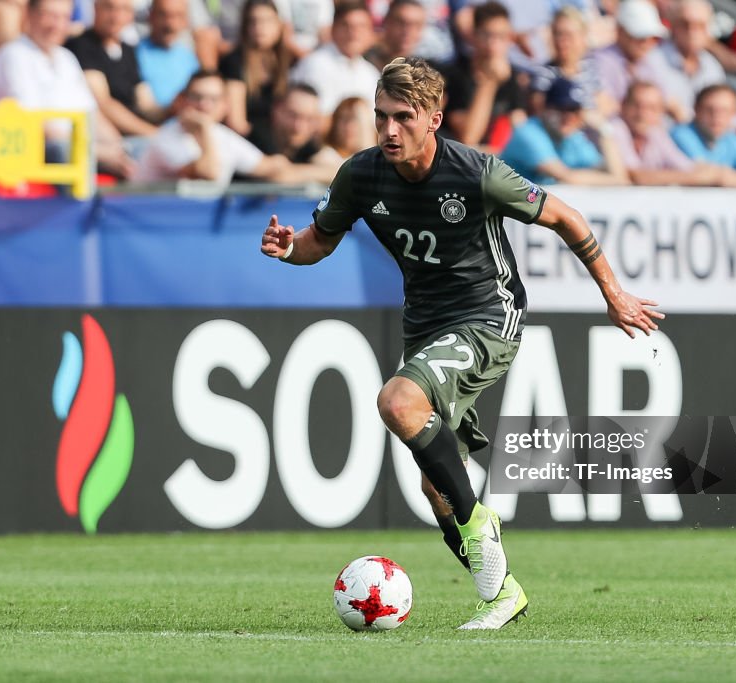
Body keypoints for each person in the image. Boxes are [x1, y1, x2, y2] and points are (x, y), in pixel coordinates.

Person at [260, 57, 663, 630]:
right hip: (426, 327)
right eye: (381, 117)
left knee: (398, 403)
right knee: (436, 487)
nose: (389, 130)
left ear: (434, 119)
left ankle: (481, 527)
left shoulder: (477, 172)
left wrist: (614, 293)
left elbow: (568, 218)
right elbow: (317, 243)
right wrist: (288, 247)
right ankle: (502, 593)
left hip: (487, 317)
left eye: (403, 117)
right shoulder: (361, 175)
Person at [0, 0, 133, 176]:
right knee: (62, 150)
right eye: (50, 16)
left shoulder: (66, 58)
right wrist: (99, 152)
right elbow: (37, 125)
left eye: (64, 17)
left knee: (141, 148)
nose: (57, 25)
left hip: (79, 150)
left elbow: (92, 116)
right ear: (29, 14)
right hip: (30, 156)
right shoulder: (14, 56)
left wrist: (118, 147)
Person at [133, 70, 331, 185]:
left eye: (213, 99)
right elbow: (207, 172)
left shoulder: (222, 136)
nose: (204, 106)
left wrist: (326, 172)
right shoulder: (167, 138)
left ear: (224, 106)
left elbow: (275, 166)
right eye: (197, 97)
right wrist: (204, 128)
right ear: (182, 100)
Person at [501, 75, 628, 186]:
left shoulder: (573, 138)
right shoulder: (528, 133)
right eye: (562, 109)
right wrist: (614, 179)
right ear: (545, 108)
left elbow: (617, 175)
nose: (569, 117)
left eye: (574, 110)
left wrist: (604, 130)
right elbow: (567, 177)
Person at [65, 0, 164, 137]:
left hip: (138, 134)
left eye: (124, 9)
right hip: (110, 140)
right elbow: (103, 102)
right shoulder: (81, 46)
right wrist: (153, 133)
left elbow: (146, 104)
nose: (115, 16)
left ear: (131, 15)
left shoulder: (128, 51)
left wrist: (177, 107)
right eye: (109, 8)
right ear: (96, 8)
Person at [440, 0, 527, 149]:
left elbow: (520, 128)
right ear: (474, 35)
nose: (493, 44)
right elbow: (468, 137)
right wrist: (490, 82)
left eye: (501, 36)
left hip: (496, 158)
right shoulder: (455, 74)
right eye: (487, 35)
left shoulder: (511, 76)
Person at [220, 0, 295, 151]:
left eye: (267, 21)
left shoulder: (288, 61)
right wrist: (270, 149)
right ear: (245, 26)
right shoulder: (234, 61)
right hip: (248, 144)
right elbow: (236, 122)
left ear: (279, 25)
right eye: (253, 21)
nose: (260, 27)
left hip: (286, 139)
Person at [289, 0, 379, 118]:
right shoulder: (315, 64)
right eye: (346, 25)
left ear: (371, 33)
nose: (353, 33)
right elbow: (316, 118)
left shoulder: (371, 74)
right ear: (333, 29)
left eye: (361, 26)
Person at [646, 0, 727, 118]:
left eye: (700, 26)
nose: (692, 31)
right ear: (673, 26)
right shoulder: (652, 60)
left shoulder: (712, 68)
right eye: (685, 24)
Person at [136, 0, 200, 109]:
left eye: (178, 16)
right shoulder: (133, 55)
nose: (170, 24)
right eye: (163, 15)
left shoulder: (189, 57)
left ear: (186, 21)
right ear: (151, 16)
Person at [365, 0, 425, 72]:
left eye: (416, 25)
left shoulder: (426, 72)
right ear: (386, 22)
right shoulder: (364, 61)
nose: (407, 31)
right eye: (401, 22)